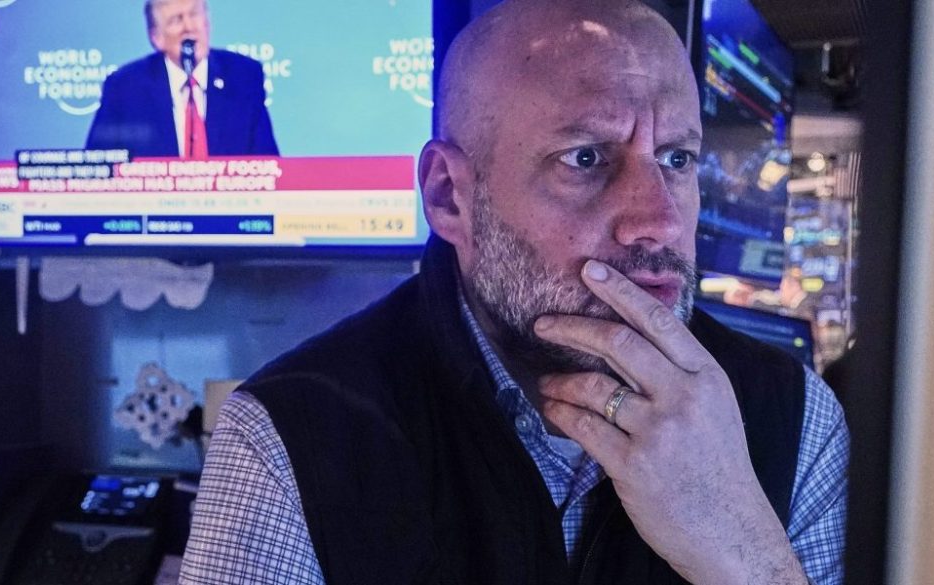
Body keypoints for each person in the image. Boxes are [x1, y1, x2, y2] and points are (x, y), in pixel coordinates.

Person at [181, 0, 848, 583]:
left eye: (677, 158)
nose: (661, 220)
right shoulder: (292, 437)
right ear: (449, 195)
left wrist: (742, 547)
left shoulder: (795, 418)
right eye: (585, 158)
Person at [85, 0, 279, 158]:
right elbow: (99, 168)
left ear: (207, 23)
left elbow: (268, 166)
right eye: (176, 20)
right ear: (156, 37)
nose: (189, 27)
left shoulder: (244, 77)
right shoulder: (126, 87)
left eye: (194, 14)